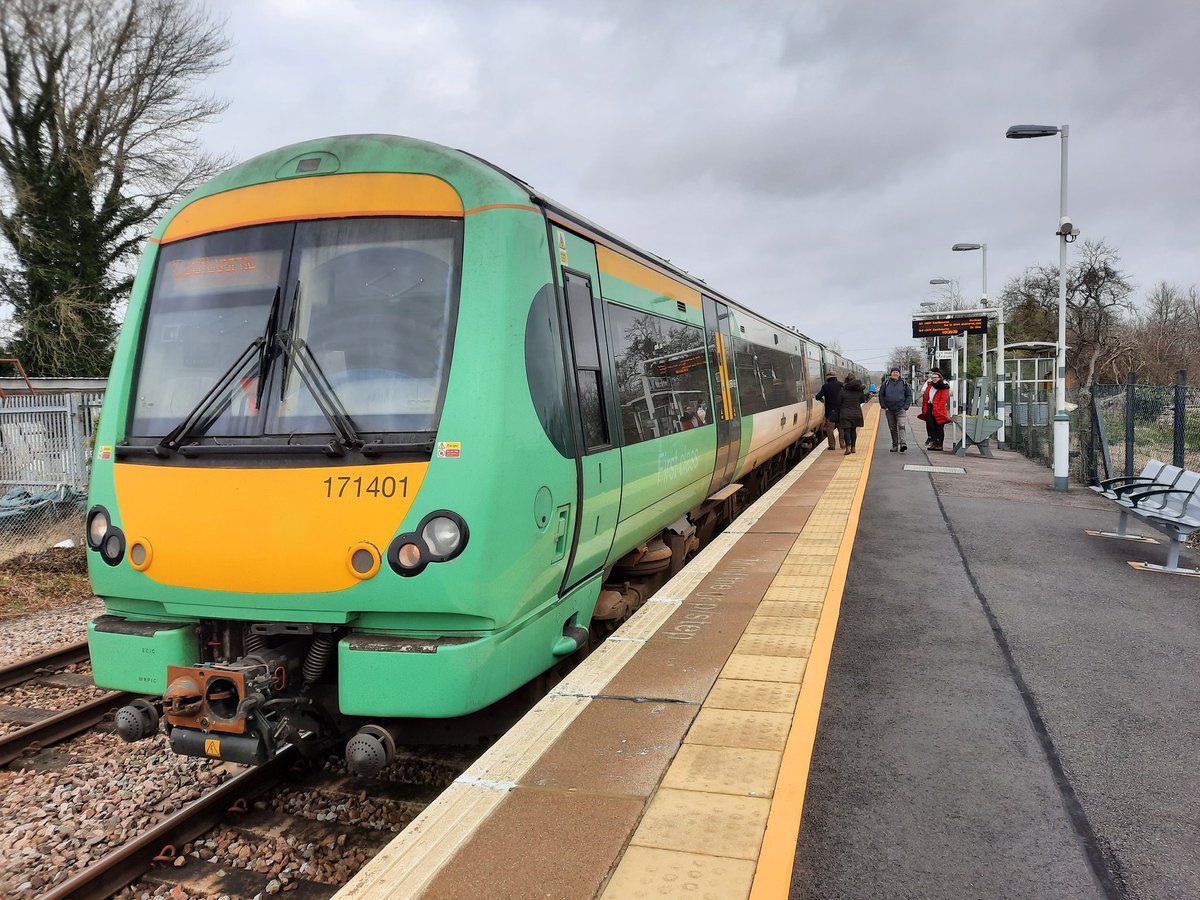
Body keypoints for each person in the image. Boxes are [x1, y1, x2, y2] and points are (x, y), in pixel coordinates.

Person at [878, 366, 913, 452]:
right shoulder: (886, 383)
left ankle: (903, 443)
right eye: (893, 372)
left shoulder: (904, 383)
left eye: (897, 372)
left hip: (901, 409)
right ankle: (895, 445)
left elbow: (909, 395)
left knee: (901, 425)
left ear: (899, 374)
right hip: (889, 409)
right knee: (892, 428)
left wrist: (906, 406)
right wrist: (884, 406)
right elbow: (881, 395)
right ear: (891, 373)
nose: (895, 374)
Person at [918, 369, 951, 451]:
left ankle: (939, 444)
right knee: (930, 426)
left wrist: (937, 408)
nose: (934, 379)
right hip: (930, 407)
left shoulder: (944, 386)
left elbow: (943, 399)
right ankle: (934, 442)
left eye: (936, 377)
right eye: (933, 377)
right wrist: (925, 408)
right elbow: (925, 396)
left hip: (939, 409)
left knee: (939, 427)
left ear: (940, 378)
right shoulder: (930, 385)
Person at [838, 372, 867, 455]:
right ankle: (853, 447)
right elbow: (863, 400)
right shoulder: (859, 391)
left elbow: (838, 402)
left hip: (845, 413)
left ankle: (847, 447)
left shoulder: (842, 391)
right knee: (853, 430)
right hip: (856, 413)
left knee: (846, 430)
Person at [814, 372, 843, 449]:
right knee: (841, 429)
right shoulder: (841, 385)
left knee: (830, 430)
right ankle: (842, 443)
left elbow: (818, 396)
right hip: (841, 411)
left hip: (830, 412)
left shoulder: (825, 386)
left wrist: (821, 399)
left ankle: (832, 445)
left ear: (828, 378)